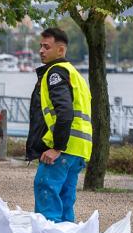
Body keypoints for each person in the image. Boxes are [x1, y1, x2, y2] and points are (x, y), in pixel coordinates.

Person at [27, 28, 92, 223]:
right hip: (79, 149)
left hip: (64, 148)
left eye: (46, 47)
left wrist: (56, 148)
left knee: (45, 189)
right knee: (65, 200)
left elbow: (64, 112)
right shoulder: (76, 75)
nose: (41, 50)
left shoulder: (55, 72)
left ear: (61, 50)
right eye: (40, 46)